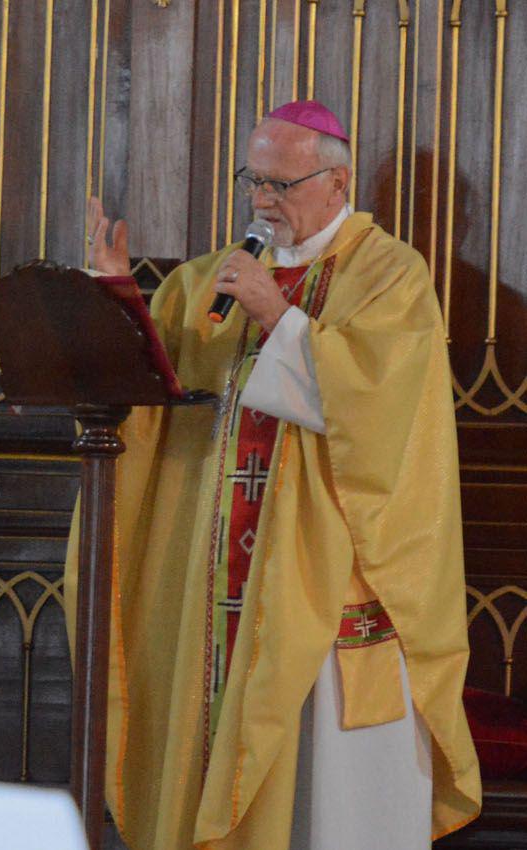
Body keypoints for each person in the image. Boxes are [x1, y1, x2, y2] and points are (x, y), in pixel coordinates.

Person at [73, 101, 480, 849]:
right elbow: (148, 397)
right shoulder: (208, 281)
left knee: (322, 806)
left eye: (280, 184)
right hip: (213, 591)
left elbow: (381, 415)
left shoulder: (390, 274)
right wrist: (113, 295)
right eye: (252, 181)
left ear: (337, 182)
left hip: (324, 585)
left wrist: (279, 317)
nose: (262, 201)